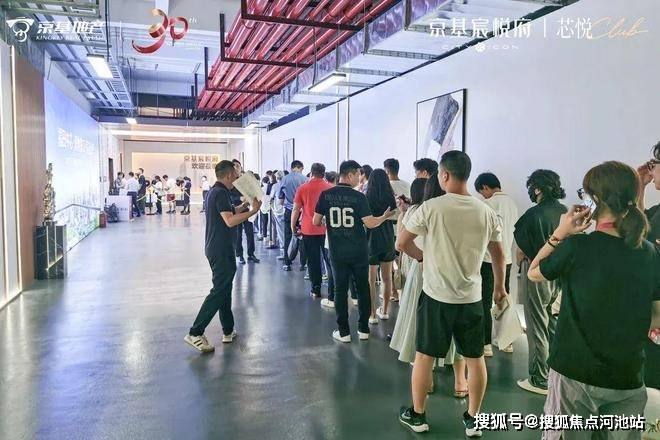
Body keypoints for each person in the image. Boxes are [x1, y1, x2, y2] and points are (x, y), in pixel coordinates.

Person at [526, 161, 660, 440]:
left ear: (595, 200)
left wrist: (561, 232)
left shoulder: (578, 246)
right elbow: (657, 314)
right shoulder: (649, 252)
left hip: (575, 374)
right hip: (627, 377)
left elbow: (534, 272)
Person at [397, 151, 507, 436]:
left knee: (424, 357)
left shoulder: (431, 208)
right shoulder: (485, 211)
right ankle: (473, 419)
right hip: (471, 298)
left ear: (444, 175)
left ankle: (418, 415)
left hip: (436, 296)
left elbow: (402, 243)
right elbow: (498, 252)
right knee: (475, 359)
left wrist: (422, 257)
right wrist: (500, 286)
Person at [184, 160, 262, 353]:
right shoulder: (220, 193)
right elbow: (230, 220)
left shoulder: (217, 192)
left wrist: (245, 205)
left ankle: (228, 329)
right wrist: (253, 211)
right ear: (228, 175)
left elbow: (230, 212)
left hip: (218, 247)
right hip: (220, 249)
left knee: (225, 289)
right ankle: (195, 332)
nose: (237, 178)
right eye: (235, 175)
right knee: (220, 290)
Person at [313, 160, 394, 343]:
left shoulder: (325, 195)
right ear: (349, 175)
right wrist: (384, 217)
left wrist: (328, 222)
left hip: (337, 251)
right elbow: (370, 223)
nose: (359, 177)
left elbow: (316, 221)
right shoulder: (359, 197)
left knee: (340, 291)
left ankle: (344, 332)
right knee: (363, 288)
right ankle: (363, 329)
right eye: (357, 174)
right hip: (359, 251)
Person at [514, 169, 567, 395]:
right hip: (560, 274)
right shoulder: (565, 212)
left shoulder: (533, 215)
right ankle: (555, 374)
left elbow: (521, 250)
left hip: (537, 272)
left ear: (537, 189)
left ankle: (539, 379)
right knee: (552, 322)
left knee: (536, 324)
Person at [474, 172, 518, 356]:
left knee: (485, 301)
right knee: (503, 299)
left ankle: (486, 344)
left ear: (485, 187)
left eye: (481, 192)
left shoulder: (487, 205)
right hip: (507, 260)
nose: (482, 196)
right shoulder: (512, 204)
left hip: (488, 260)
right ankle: (506, 342)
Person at [390, 177, 428, 362]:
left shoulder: (411, 211)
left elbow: (399, 243)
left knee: (409, 300)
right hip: (426, 260)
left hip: (412, 258)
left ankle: (410, 345)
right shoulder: (430, 210)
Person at [291, 163, 333, 299]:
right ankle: (333, 291)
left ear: (311, 172)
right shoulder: (330, 188)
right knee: (329, 261)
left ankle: (316, 289)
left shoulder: (303, 188)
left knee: (313, 261)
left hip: (308, 230)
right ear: (323, 173)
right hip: (327, 230)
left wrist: (293, 226)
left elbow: (296, 209)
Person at [365, 169, 397, 322]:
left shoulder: (366, 199)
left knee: (370, 281)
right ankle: (384, 311)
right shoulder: (390, 198)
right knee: (387, 278)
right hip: (388, 239)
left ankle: (372, 314)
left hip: (371, 241)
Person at [279, 160, 307, 271]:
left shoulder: (285, 179)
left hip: (289, 211)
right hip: (301, 212)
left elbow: (280, 199)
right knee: (302, 237)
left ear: (292, 168)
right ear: (300, 167)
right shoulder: (305, 179)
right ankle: (303, 263)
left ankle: (287, 263)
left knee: (287, 236)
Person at [230, 160, 259, 264]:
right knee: (238, 234)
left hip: (247, 209)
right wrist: (239, 198)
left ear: (241, 167)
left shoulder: (245, 180)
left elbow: (253, 192)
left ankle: (251, 254)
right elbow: (229, 196)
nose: (236, 168)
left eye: (238, 166)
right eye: (234, 166)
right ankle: (239, 254)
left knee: (250, 233)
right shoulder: (230, 181)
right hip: (236, 210)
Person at [637, 140, 660, 244]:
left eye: (653, 165)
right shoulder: (657, 210)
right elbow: (640, 225)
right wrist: (641, 185)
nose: (650, 172)